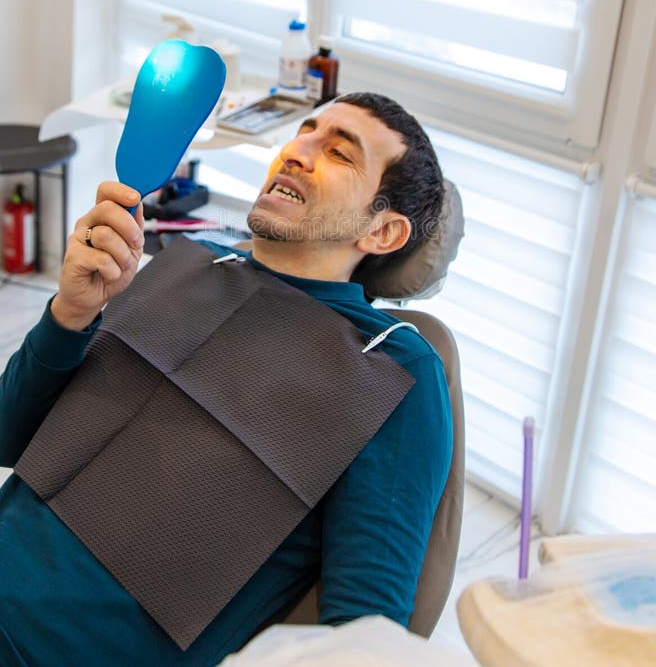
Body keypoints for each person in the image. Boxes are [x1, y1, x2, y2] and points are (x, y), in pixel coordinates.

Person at [0, 92, 453, 667]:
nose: (297, 151)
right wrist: (69, 313)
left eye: (339, 154)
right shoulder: (185, 265)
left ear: (383, 232)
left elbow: (359, 643)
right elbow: (8, 438)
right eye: (305, 132)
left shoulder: (390, 367)